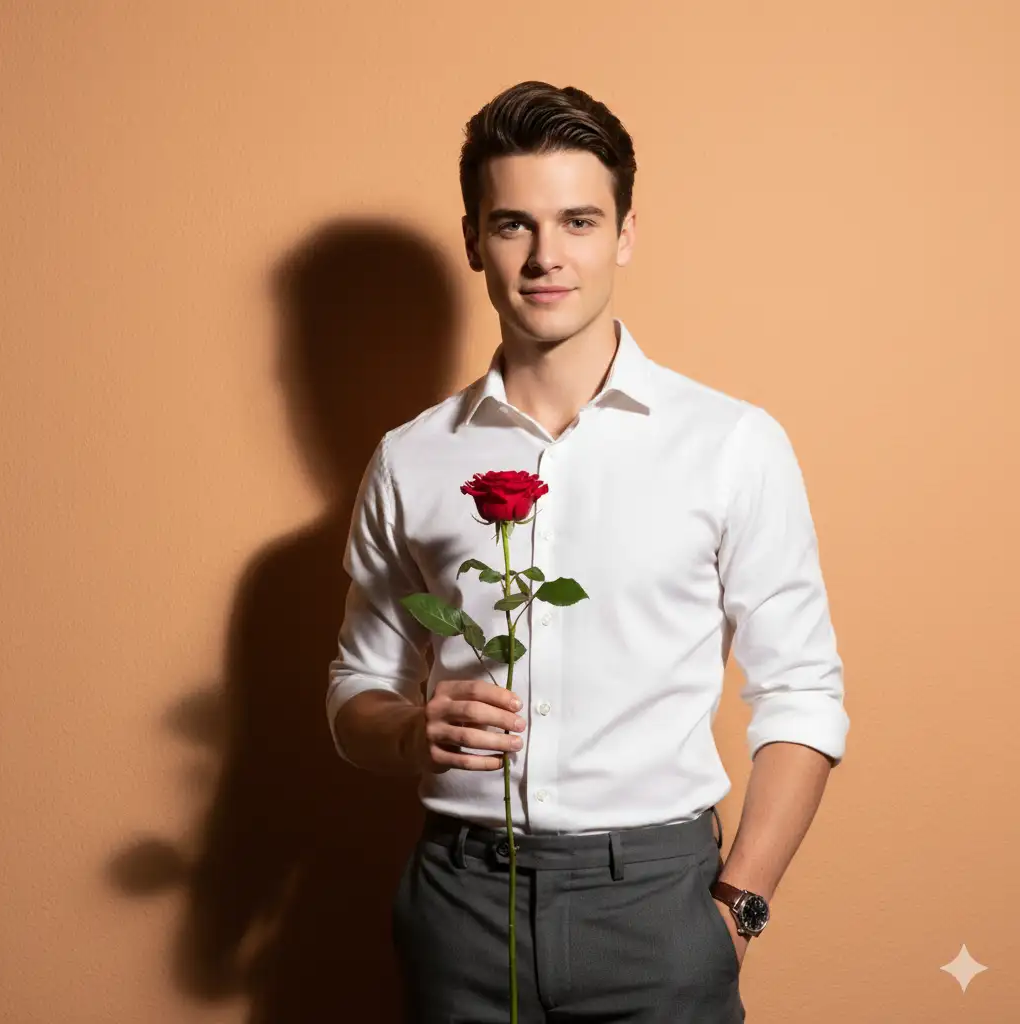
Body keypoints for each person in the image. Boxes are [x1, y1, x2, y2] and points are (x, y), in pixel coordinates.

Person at [327, 80, 849, 1023]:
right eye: (513, 224)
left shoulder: (730, 443)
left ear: (625, 234)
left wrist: (736, 907)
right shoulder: (412, 460)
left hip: (660, 903)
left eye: (577, 220)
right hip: (460, 900)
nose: (545, 256)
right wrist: (410, 729)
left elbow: (804, 692)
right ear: (473, 238)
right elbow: (354, 691)